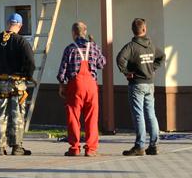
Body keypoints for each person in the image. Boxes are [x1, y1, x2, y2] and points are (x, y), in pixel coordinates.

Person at [0, 12, 36, 155]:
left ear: (8, 24)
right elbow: (31, 62)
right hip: (17, 83)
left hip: (0, 83)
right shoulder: (21, 41)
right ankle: (16, 147)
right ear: (20, 26)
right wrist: (27, 75)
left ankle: (0, 147)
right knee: (17, 114)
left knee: (1, 114)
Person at [115, 17, 166, 156]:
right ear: (144, 29)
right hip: (150, 84)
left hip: (136, 84)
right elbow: (162, 56)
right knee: (151, 114)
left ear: (133, 30)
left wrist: (126, 72)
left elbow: (120, 58)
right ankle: (154, 145)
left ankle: (139, 146)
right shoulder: (151, 45)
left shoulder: (131, 47)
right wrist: (152, 68)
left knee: (139, 115)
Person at [57, 20, 106, 156]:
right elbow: (102, 64)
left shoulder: (69, 48)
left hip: (75, 86)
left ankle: (74, 148)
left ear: (73, 33)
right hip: (91, 86)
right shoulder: (94, 47)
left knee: (73, 116)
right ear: (85, 32)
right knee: (91, 117)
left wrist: (62, 84)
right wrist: (95, 45)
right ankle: (90, 148)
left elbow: (62, 70)